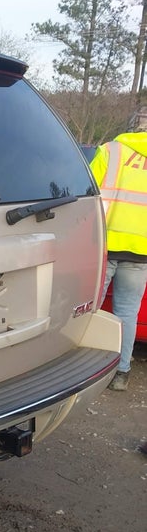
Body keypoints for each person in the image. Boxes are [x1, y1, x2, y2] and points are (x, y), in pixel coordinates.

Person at [90, 132, 147, 392]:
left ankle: (87, 370)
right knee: (127, 314)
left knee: (89, 310)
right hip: (141, 250)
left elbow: (85, 193)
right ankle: (121, 373)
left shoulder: (111, 151)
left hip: (104, 244)